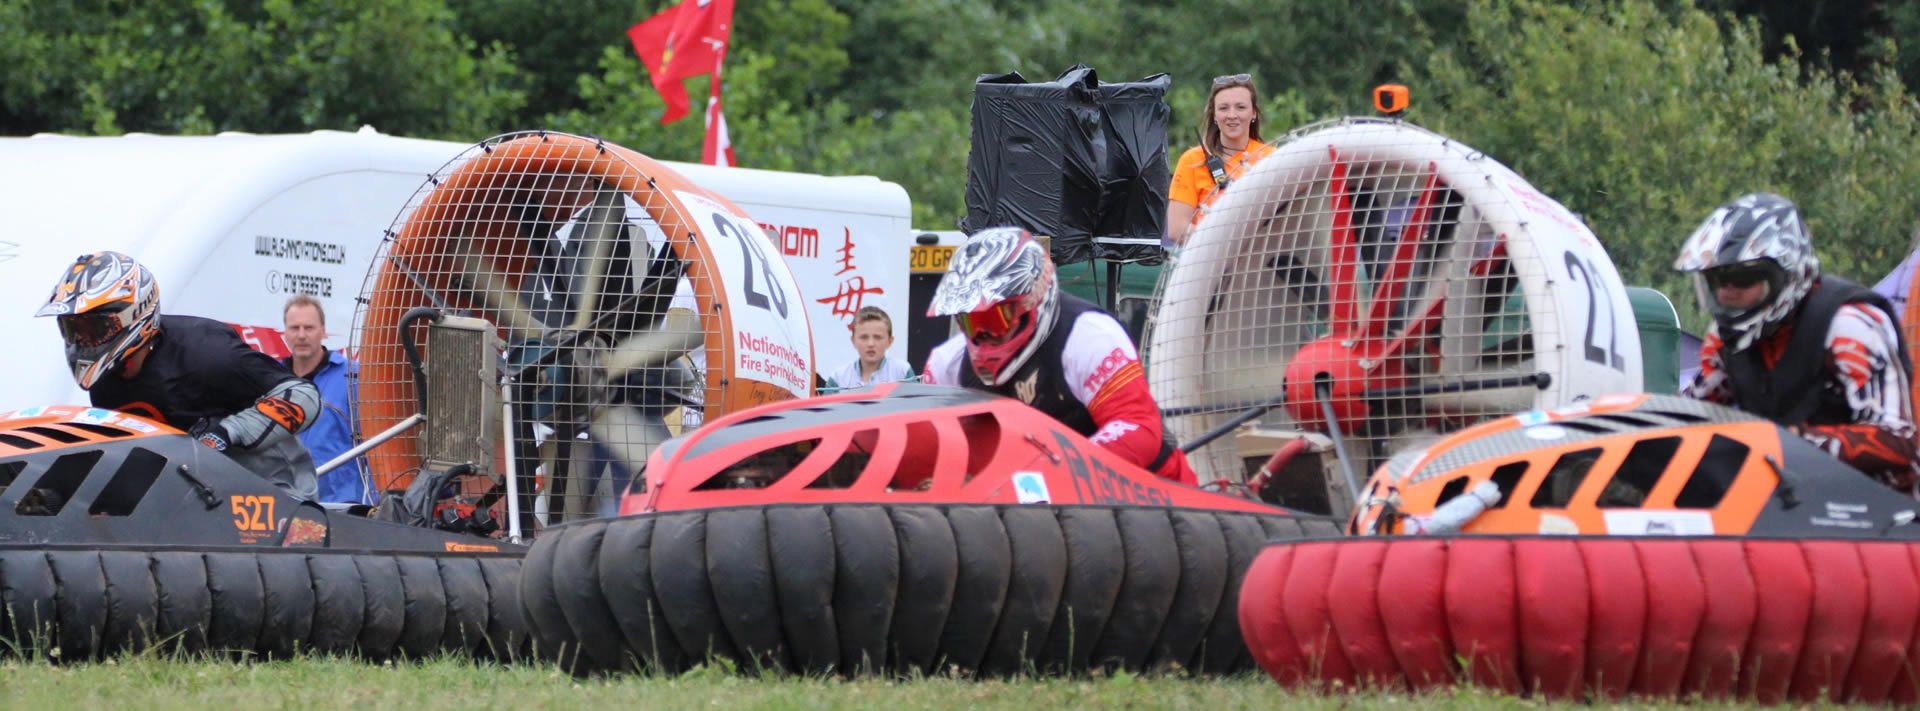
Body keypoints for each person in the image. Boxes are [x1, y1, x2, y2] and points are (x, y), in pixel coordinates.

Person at [1675, 193, 1919, 494]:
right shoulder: (1726, 339)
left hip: (1883, 506)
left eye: (1743, 279)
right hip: (1789, 499)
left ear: (1786, 274)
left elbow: (1898, 440)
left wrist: (1793, 441)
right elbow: (1689, 413)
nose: (1727, 293)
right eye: (1717, 280)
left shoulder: (1848, 327)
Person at [35, 251, 321, 500]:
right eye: (73, 330)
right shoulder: (106, 385)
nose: (82, 342)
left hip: (278, 493)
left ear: (132, 314)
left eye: (93, 329)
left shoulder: (206, 354)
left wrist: (229, 431)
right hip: (197, 500)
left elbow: (303, 396)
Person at [922, 227, 1199, 485]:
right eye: (970, 322)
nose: (983, 336)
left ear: (1032, 301)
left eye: (995, 320)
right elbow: (926, 447)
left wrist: (1050, 473)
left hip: (1154, 495)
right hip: (1023, 505)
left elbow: (1138, 429)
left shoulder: (1089, 336)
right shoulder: (947, 364)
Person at [281, 294, 372, 505]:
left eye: (309, 328)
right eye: (294, 328)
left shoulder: (353, 378)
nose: (301, 335)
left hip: (338, 506)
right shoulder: (270, 378)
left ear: (323, 331)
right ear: (284, 333)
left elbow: (376, 448)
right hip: (283, 503)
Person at [1165, 74, 1274, 247]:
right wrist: (1225, 238)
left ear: (1253, 112)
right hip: (1207, 257)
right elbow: (1176, 229)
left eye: (1240, 107)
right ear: (1214, 115)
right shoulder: (1192, 160)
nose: (1232, 115)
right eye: (1223, 108)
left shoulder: (1271, 158)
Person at [825, 305, 915, 392]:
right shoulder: (838, 378)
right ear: (853, 341)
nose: (870, 344)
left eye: (878, 337)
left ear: (890, 341)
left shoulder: (902, 372)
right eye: (864, 337)